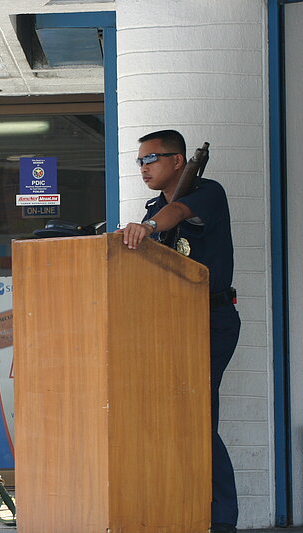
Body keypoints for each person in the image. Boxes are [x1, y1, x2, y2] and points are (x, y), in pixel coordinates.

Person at [119, 129, 241, 533]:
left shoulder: (207, 192)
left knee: (200, 419)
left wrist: (148, 226)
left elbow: (178, 214)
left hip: (211, 319)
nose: (143, 167)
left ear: (177, 161)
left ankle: (221, 519)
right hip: (170, 323)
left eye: (150, 158)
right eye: (139, 161)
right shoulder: (154, 204)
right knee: (175, 419)